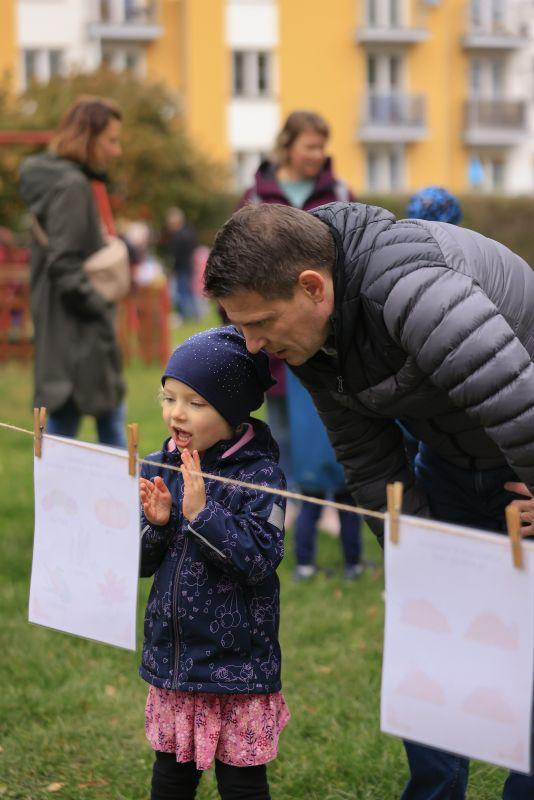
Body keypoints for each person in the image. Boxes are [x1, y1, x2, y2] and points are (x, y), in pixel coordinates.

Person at [203, 201, 534, 800]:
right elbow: (366, 455)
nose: (253, 344)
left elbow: (515, 397)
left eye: (262, 322)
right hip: (454, 461)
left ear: (313, 287)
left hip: (523, 453)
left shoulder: (413, 289)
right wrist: (416, 550)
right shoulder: (310, 334)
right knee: (428, 626)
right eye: (242, 326)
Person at [139, 326, 289, 800]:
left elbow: (260, 558)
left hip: (237, 666)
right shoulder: (160, 466)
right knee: (171, 776)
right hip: (176, 659)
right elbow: (139, 563)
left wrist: (203, 515)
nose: (176, 413)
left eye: (195, 403)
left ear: (232, 411)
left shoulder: (262, 476)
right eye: (169, 398)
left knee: (242, 783)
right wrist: (157, 525)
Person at [238, 109, 354, 499]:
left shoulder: (339, 194)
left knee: (328, 424)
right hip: (273, 336)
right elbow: (237, 266)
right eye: (309, 146)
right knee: (281, 428)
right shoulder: (257, 197)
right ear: (288, 145)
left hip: (323, 333)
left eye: (322, 147)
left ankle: (334, 502)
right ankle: (288, 503)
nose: (317, 154)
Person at [19, 96, 126, 446]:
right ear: (88, 139)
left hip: (61, 328)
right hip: (79, 334)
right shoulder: (72, 186)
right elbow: (65, 265)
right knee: (102, 434)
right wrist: (98, 304)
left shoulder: (55, 181)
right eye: (111, 141)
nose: (117, 151)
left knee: (61, 435)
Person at [286, 369, 363, 581]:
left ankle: (305, 565)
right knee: (346, 507)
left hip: (308, 449)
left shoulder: (295, 361)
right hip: (340, 444)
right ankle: (353, 565)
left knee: (310, 506)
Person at [165, 206, 198, 321]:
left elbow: (177, 255)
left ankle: (185, 316)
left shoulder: (178, 236)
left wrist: (173, 269)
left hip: (182, 268)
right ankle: (194, 315)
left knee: (182, 292)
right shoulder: (189, 232)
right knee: (189, 291)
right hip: (188, 266)